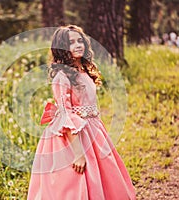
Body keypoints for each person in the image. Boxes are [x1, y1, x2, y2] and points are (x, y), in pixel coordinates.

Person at [27, 25, 136, 200]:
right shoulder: (62, 77)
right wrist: (78, 154)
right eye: (71, 42)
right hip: (73, 137)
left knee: (103, 173)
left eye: (80, 41)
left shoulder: (83, 70)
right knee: (76, 180)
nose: (78, 45)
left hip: (92, 131)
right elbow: (66, 116)